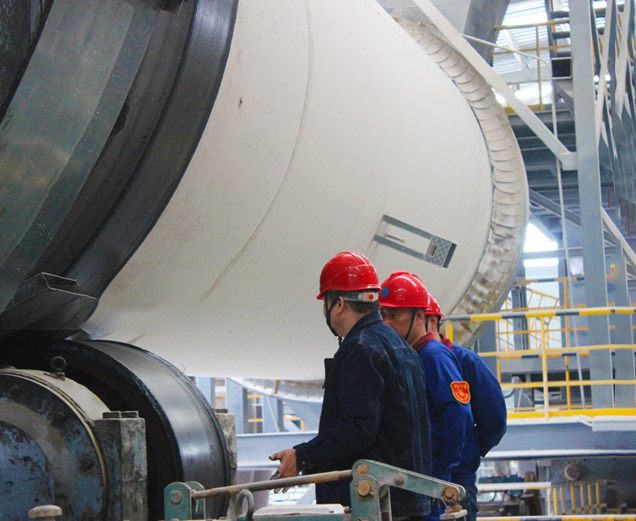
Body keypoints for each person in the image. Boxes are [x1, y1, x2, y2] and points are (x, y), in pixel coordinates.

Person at [270, 251, 432, 520]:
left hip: (374, 504)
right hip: (406, 499)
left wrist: (302, 456)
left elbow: (358, 428)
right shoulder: (401, 346)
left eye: (325, 303)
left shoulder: (360, 349)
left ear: (339, 304)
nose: (324, 311)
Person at [379, 272, 475, 521]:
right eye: (383, 315)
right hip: (415, 481)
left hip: (429, 482)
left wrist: (439, 472)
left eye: (394, 315)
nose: (386, 323)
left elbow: (460, 415)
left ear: (420, 317)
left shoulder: (434, 357)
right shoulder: (411, 357)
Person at [420, 292, 507, 521]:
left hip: (456, 479)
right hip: (419, 480)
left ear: (431, 321)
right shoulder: (410, 361)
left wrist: (468, 452)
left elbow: (494, 421)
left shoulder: (466, 362)